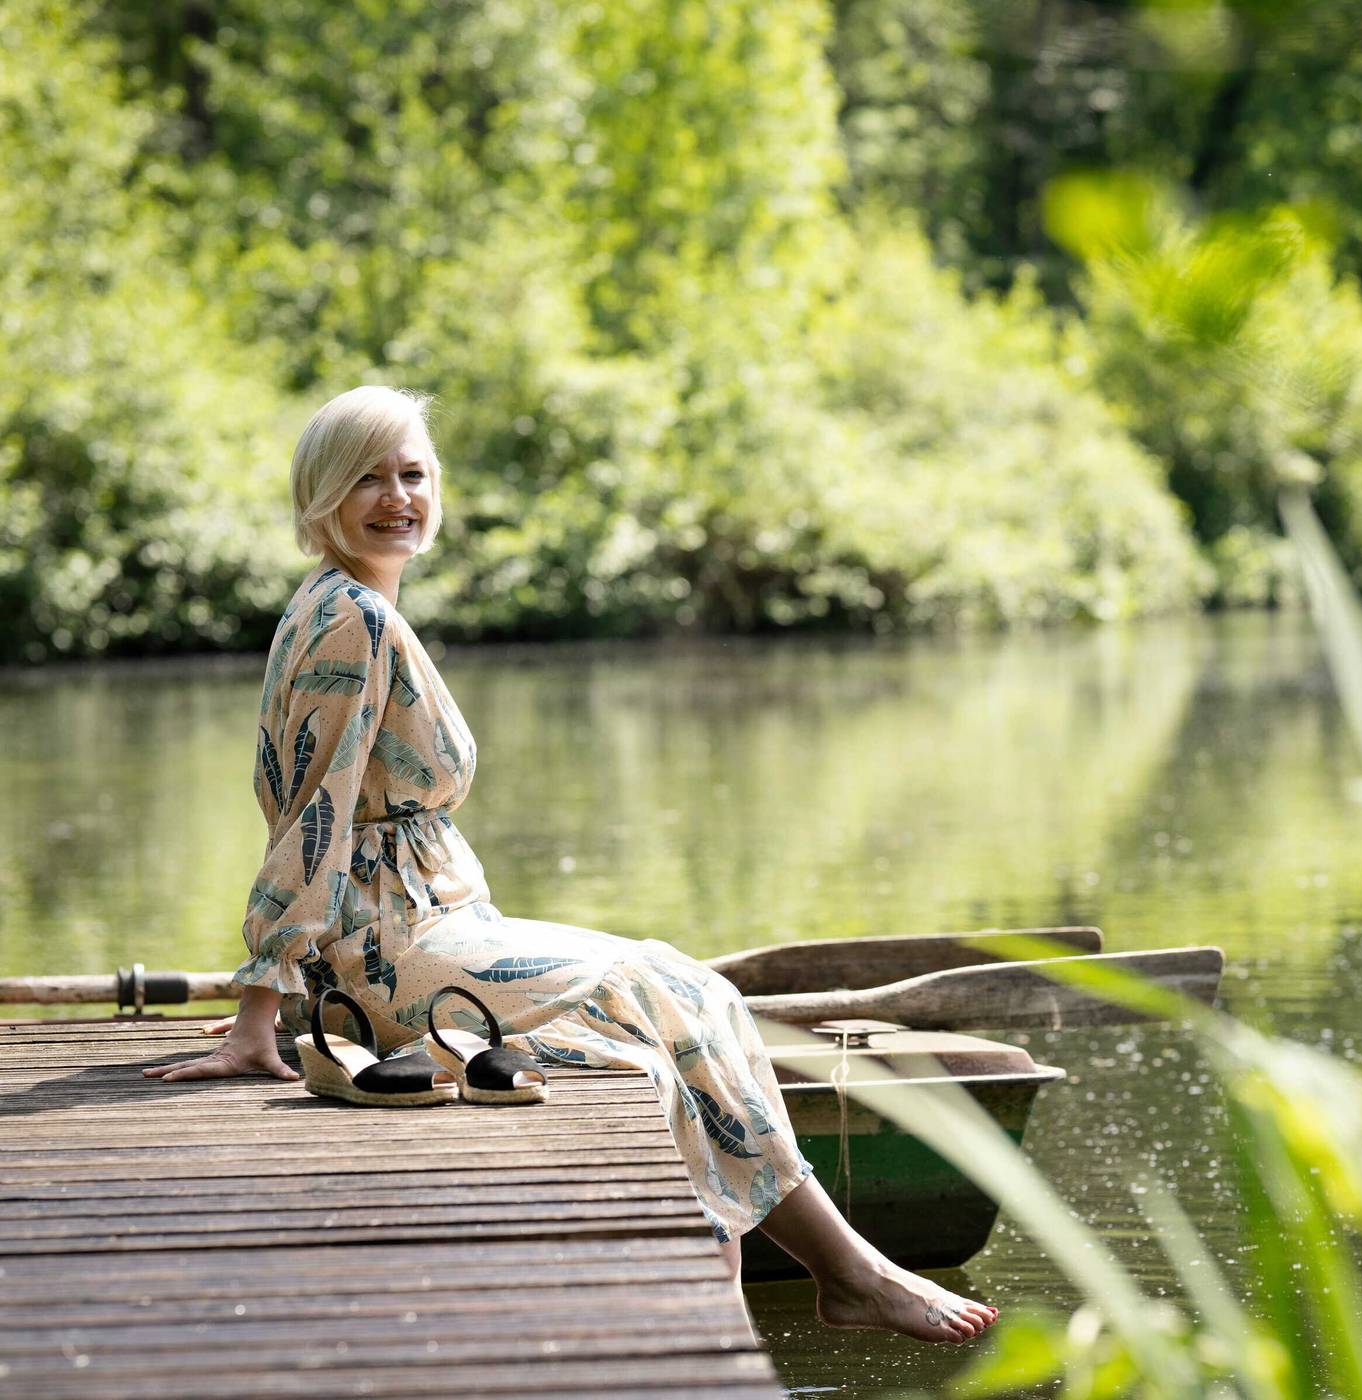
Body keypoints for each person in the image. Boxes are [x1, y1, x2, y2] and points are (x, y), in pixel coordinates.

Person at [145, 385, 996, 1345]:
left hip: (420, 931)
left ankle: (829, 1271)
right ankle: (845, 1270)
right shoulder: (355, 624)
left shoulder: (344, 606)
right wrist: (264, 1008)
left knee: (684, 987)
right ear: (321, 500)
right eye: (367, 479)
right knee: (654, 998)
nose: (397, 496)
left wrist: (293, 988)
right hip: (391, 948)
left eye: (413, 474)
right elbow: (313, 818)